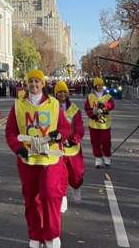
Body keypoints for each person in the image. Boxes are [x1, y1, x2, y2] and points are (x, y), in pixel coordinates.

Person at [5, 69, 70, 248]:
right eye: (31, 81)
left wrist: (59, 135)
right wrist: (18, 148)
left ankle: (51, 235)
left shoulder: (54, 104)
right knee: (31, 199)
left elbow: (65, 127)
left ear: (43, 84)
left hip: (50, 160)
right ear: (27, 84)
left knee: (50, 195)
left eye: (37, 82)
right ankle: (35, 236)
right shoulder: (18, 105)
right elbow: (11, 131)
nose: (34, 85)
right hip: (28, 160)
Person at [54, 81, 84, 212]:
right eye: (59, 92)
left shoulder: (74, 109)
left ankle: (76, 188)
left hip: (72, 147)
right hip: (57, 148)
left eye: (64, 92)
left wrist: (74, 139)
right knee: (60, 175)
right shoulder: (51, 108)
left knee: (76, 174)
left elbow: (79, 127)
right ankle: (63, 198)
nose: (62, 94)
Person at [84, 77, 114, 168]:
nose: (100, 87)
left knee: (106, 141)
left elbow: (111, 105)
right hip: (94, 124)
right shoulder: (90, 96)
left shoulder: (107, 96)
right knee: (95, 142)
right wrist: (91, 114)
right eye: (98, 85)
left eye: (101, 85)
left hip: (105, 123)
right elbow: (87, 108)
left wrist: (105, 105)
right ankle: (98, 158)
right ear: (95, 86)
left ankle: (107, 156)